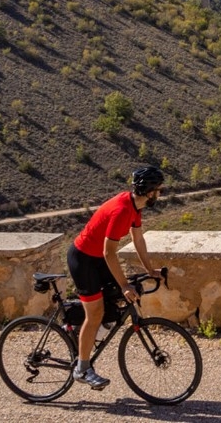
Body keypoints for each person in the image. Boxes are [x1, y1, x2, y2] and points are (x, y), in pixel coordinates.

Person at [66, 165, 165, 390]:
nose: (160, 194)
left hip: (96, 258)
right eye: (159, 190)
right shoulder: (122, 211)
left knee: (115, 303)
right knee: (96, 312)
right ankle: (82, 369)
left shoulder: (134, 207)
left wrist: (150, 270)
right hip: (83, 259)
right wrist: (124, 284)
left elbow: (138, 240)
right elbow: (109, 253)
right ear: (149, 191)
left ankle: (80, 335)